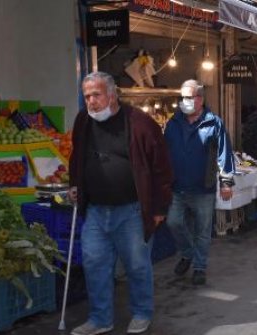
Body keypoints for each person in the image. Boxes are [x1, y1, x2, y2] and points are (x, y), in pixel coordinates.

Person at [68, 72, 174, 335]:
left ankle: (141, 313)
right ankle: (100, 319)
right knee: (94, 265)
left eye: (96, 95)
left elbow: (162, 168)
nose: (91, 102)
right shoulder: (83, 121)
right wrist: (75, 184)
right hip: (95, 210)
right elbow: (76, 156)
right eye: (87, 96)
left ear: (112, 95)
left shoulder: (139, 123)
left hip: (132, 211)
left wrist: (160, 208)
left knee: (137, 265)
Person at [164, 79, 235, 286]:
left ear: (200, 99)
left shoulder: (214, 123)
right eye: (182, 97)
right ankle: (187, 254)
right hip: (176, 187)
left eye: (189, 97)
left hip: (203, 189)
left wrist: (226, 182)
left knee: (203, 231)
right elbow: (164, 152)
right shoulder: (173, 122)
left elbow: (224, 154)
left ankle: (199, 267)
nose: (184, 101)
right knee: (173, 222)